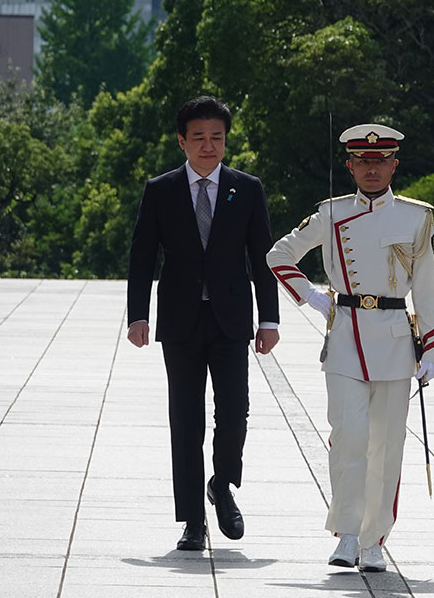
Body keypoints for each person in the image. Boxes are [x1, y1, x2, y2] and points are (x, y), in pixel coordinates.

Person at [267, 124, 434, 572]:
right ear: (350, 166)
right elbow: (278, 255)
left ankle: (375, 540)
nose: (371, 168)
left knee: (388, 444)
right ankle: (346, 533)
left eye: (380, 161)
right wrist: (313, 296)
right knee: (349, 436)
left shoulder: (416, 217)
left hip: (396, 340)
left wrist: (432, 349)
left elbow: (426, 289)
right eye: (362, 161)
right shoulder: (331, 212)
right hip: (345, 337)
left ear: (394, 165)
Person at [125, 96, 280, 552]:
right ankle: (193, 520)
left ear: (226, 141)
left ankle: (223, 483)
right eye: (199, 138)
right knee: (185, 420)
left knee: (234, 412)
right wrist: (138, 315)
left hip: (232, 320)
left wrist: (268, 320)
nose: (208, 146)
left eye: (217, 137)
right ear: (182, 142)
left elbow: (263, 258)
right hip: (180, 321)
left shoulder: (246, 189)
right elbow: (141, 256)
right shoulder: (161, 189)